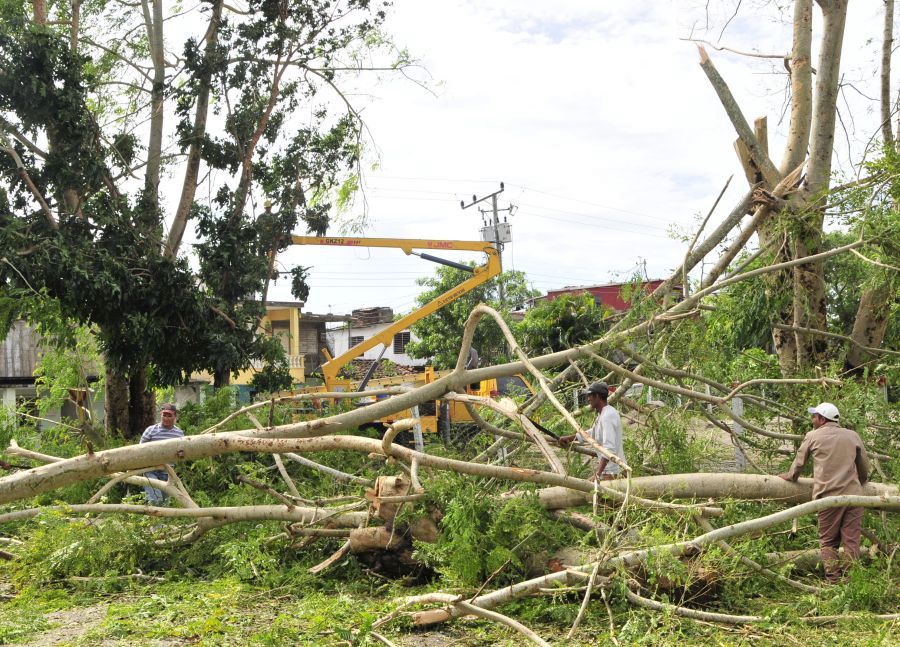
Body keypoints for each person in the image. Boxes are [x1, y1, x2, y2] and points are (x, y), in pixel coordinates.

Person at [779, 402, 870, 584]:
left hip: (828, 497)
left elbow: (799, 463)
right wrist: (860, 483)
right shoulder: (852, 435)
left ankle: (833, 580)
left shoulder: (812, 436)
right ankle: (850, 580)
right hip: (854, 497)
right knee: (851, 541)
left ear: (821, 419)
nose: (812, 419)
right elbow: (864, 467)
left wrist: (790, 476)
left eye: (814, 416)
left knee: (828, 541)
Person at [558, 381, 624, 480]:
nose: (588, 399)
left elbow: (609, 448)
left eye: (589, 396)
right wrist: (570, 438)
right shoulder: (603, 414)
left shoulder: (608, 416)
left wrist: (598, 474)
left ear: (597, 396)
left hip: (612, 472)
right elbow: (592, 433)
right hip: (609, 470)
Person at [139, 403, 185, 505]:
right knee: (155, 500)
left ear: (175, 416)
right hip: (151, 471)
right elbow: (139, 451)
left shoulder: (179, 433)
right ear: (161, 415)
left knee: (164, 503)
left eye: (169, 415)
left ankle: (159, 521)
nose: (166, 418)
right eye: (164, 415)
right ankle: (152, 519)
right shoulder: (150, 431)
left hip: (168, 473)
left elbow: (182, 453)